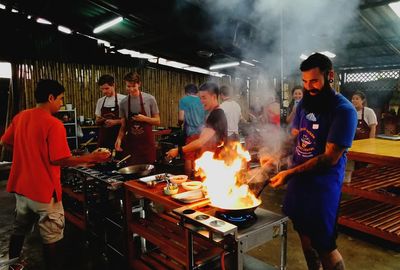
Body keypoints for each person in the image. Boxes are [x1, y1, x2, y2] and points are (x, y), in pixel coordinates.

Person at [0, 79, 111, 270]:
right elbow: (61, 159)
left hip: (21, 188)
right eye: (60, 99)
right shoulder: (54, 124)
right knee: (52, 237)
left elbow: (5, 141)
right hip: (44, 192)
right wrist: (93, 157)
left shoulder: (21, 117)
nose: (61, 103)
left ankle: (12, 265)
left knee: (19, 229)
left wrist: (29, 152)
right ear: (50, 98)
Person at [263, 53, 357, 270]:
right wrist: (275, 154)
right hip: (299, 184)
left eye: (314, 81)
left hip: (322, 189)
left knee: (324, 245)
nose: (309, 87)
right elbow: (295, 137)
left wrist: (288, 174)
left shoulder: (343, 111)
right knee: (305, 237)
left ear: (329, 76)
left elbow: (329, 159)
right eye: (305, 82)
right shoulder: (305, 104)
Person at [166, 82, 227, 161]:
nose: (201, 101)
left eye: (204, 98)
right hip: (210, 157)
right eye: (200, 98)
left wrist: (178, 150)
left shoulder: (216, 114)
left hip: (216, 160)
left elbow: (201, 141)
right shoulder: (212, 113)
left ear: (214, 97)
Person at [115, 72, 160, 165]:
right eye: (128, 86)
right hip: (132, 144)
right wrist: (119, 139)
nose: (131, 89)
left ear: (139, 84)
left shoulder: (150, 99)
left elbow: (157, 121)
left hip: (147, 144)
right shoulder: (123, 103)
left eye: (133, 86)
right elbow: (123, 126)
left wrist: (144, 118)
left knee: (149, 173)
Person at [178, 83, 205, 176]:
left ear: (186, 92)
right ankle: (199, 179)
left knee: (189, 157)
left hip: (191, 133)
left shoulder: (184, 100)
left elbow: (181, 118)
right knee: (199, 156)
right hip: (203, 134)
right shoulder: (202, 100)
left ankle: (188, 179)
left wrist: (179, 124)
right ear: (196, 92)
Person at [94, 74, 126, 150]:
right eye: (102, 89)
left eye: (107, 88)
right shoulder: (100, 101)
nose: (104, 91)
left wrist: (116, 122)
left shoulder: (123, 99)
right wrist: (102, 120)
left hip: (119, 139)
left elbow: (129, 120)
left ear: (113, 85)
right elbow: (97, 120)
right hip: (104, 139)